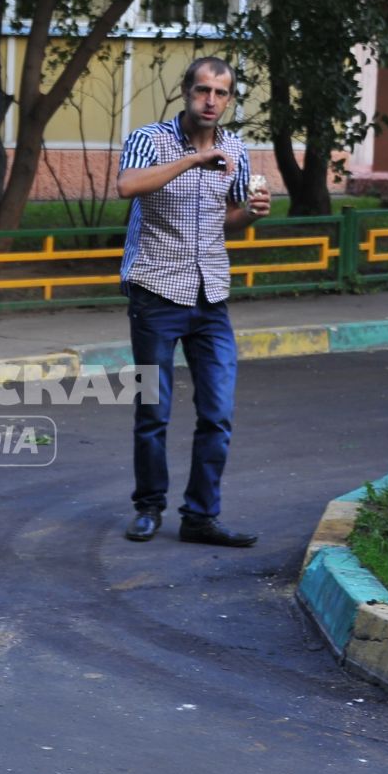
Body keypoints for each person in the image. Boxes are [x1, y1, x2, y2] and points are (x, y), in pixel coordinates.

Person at [115, 56, 272, 546]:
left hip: (211, 295)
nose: (210, 100)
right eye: (202, 90)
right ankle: (149, 507)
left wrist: (253, 213)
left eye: (220, 93)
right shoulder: (150, 139)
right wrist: (192, 160)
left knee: (218, 412)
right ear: (186, 91)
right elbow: (127, 186)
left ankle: (200, 517)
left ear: (229, 100)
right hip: (156, 290)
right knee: (153, 411)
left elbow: (228, 219)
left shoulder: (236, 150)